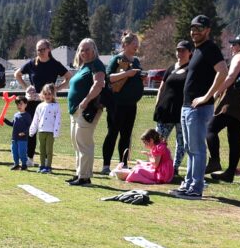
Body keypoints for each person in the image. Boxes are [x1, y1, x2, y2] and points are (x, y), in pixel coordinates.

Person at [172, 15, 228, 200]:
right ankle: (188, 184)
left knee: (197, 149)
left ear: (207, 30)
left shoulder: (210, 48)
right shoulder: (197, 50)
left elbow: (223, 71)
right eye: (192, 28)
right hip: (187, 107)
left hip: (199, 108)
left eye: (199, 28)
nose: (194, 31)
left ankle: (196, 188)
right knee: (190, 148)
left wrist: (207, 96)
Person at [205, 33, 240, 184]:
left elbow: (230, 77)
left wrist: (217, 92)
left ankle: (214, 160)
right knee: (234, 137)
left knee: (210, 128)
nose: (231, 46)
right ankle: (229, 173)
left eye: (234, 44)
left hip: (233, 99)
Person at [14, 39, 68, 167]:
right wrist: (26, 88)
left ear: (49, 49)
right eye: (38, 50)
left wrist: (56, 89)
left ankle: (46, 162)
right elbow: (17, 74)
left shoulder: (55, 64)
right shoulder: (32, 64)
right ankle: (29, 158)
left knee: (46, 131)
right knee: (31, 130)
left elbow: (69, 77)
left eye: (43, 49)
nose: (40, 52)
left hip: (48, 104)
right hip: (33, 102)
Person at [99, 32, 144, 175]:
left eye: (137, 43)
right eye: (133, 43)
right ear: (125, 45)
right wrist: (127, 74)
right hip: (116, 104)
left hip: (131, 104)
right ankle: (106, 165)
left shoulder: (136, 61)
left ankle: (123, 165)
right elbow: (109, 77)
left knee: (126, 135)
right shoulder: (117, 59)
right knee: (113, 133)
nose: (136, 45)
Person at [65, 38, 107, 186]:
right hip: (76, 110)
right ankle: (79, 173)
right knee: (77, 142)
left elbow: (99, 84)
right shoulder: (84, 66)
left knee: (84, 143)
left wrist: (86, 100)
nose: (84, 53)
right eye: (81, 50)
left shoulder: (96, 64)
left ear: (94, 50)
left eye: (87, 49)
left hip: (87, 109)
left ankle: (85, 177)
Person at [153, 40, 192, 178]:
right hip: (165, 110)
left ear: (190, 52)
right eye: (178, 50)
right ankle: (158, 165)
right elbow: (161, 87)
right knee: (158, 140)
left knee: (181, 142)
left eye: (183, 50)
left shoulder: (191, 69)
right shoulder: (170, 68)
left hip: (181, 112)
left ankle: (174, 169)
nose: (180, 53)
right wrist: (158, 104)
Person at [28, 83, 61, 173]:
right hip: (41, 131)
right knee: (42, 149)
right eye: (45, 94)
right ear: (42, 94)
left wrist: (56, 131)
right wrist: (32, 130)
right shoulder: (40, 106)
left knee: (49, 150)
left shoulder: (56, 106)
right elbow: (36, 119)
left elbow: (58, 120)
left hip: (50, 132)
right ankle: (42, 165)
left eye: (49, 94)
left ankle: (48, 167)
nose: (47, 96)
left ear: (53, 94)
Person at [9, 95, 31, 170]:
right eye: (17, 104)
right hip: (14, 137)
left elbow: (29, 127)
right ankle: (16, 164)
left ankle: (24, 164)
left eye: (21, 104)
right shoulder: (16, 115)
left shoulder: (27, 115)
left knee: (22, 152)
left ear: (26, 104)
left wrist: (24, 132)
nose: (19, 106)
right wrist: (4, 120)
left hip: (23, 138)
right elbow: (12, 124)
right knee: (14, 152)